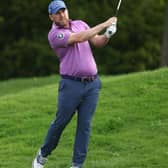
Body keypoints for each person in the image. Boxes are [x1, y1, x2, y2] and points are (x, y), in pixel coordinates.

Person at [32, 0, 117, 168]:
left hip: (92, 85)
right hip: (71, 85)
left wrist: (108, 34)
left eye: (63, 10)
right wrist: (105, 23)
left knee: (84, 126)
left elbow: (97, 42)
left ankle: (77, 165)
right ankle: (43, 155)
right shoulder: (55, 35)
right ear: (51, 17)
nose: (62, 14)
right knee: (61, 122)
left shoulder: (81, 24)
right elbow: (79, 38)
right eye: (57, 12)